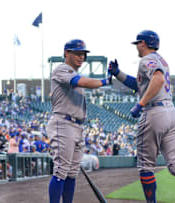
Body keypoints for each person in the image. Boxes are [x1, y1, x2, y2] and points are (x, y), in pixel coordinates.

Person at [108, 30, 175, 203]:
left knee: (145, 167)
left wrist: (140, 104)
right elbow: (140, 85)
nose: (136, 46)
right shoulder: (161, 60)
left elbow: (157, 80)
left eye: (137, 43)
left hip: (154, 112)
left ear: (143, 43)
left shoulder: (146, 60)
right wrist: (118, 73)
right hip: (172, 113)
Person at [47, 39, 111, 203]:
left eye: (83, 54)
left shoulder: (73, 73)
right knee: (61, 170)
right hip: (63, 123)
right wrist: (105, 81)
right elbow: (81, 82)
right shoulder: (62, 69)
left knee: (72, 172)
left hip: (76, 126)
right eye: (77, 53)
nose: (81, 57)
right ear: (66, 53)